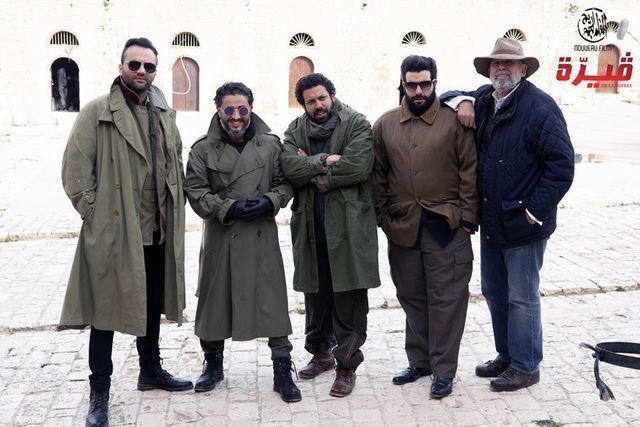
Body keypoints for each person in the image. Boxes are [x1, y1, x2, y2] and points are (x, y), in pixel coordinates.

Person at [60, 37, 191, 427]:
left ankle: (150, 370)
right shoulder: (97, 111)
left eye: (149, 66)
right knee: (105, 312)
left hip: (157, 228)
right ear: (121, 67)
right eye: (134, 64)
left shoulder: (163, 113)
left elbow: (174, 161)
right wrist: (97, 216)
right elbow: (75, 173)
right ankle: (99, 392)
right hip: (116, 232)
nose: (141, 72)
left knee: (149, 303)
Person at [441, 38, 575, 392]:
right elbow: (446, 96)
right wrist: (464, 101)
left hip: (523, 223)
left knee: (521, 297)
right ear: (489, 70)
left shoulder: (540, 108)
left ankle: (526, 366)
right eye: (495, 63)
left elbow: (561, 167)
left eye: (509, 63)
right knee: (495, 291)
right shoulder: (486, 99)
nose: (501, 68)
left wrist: (533, 212)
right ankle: (507, 355)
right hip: (493, 220)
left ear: (523, 69)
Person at [184, 82, 301, 403]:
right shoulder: (202, 149)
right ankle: (213, 364)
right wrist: (227, 208)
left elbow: (285, 184)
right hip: (222, 236)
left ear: (251, 108)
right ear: (218, 110)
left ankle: (282, 368)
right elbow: (195, 191)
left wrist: (270, 201)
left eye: (242, 109)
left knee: (272, 301)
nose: (236, 117)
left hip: (261, 236)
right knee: (215, 302)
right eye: (229, 110)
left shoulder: (271, 145)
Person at [372, 55, 479, 399]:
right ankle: (419, 361)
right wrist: (383, 217)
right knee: (411, 297)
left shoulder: (455, 120)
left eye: (424, 84)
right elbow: (378, 174)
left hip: (447, 226)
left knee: (447, 301)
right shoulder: (385, 124)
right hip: (403, 227)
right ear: (402, 84)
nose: (418, 91)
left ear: (434, 83)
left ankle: (443, 370)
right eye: (411, 85)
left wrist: (467, 219)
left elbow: (469, 170)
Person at [281, 73, 380, 398]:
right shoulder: (296, 129)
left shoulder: (356, 123)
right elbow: (288, 167)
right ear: (303, 104)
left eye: (322, 98)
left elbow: (358, 167)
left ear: (332, 95)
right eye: (310, 101)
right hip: (311, 228)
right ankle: (321, 353)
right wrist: (324, 160)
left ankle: (346, 366)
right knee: (316, 297)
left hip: (349, 229)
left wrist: (313, 173)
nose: (318, 105)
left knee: (349, 299)